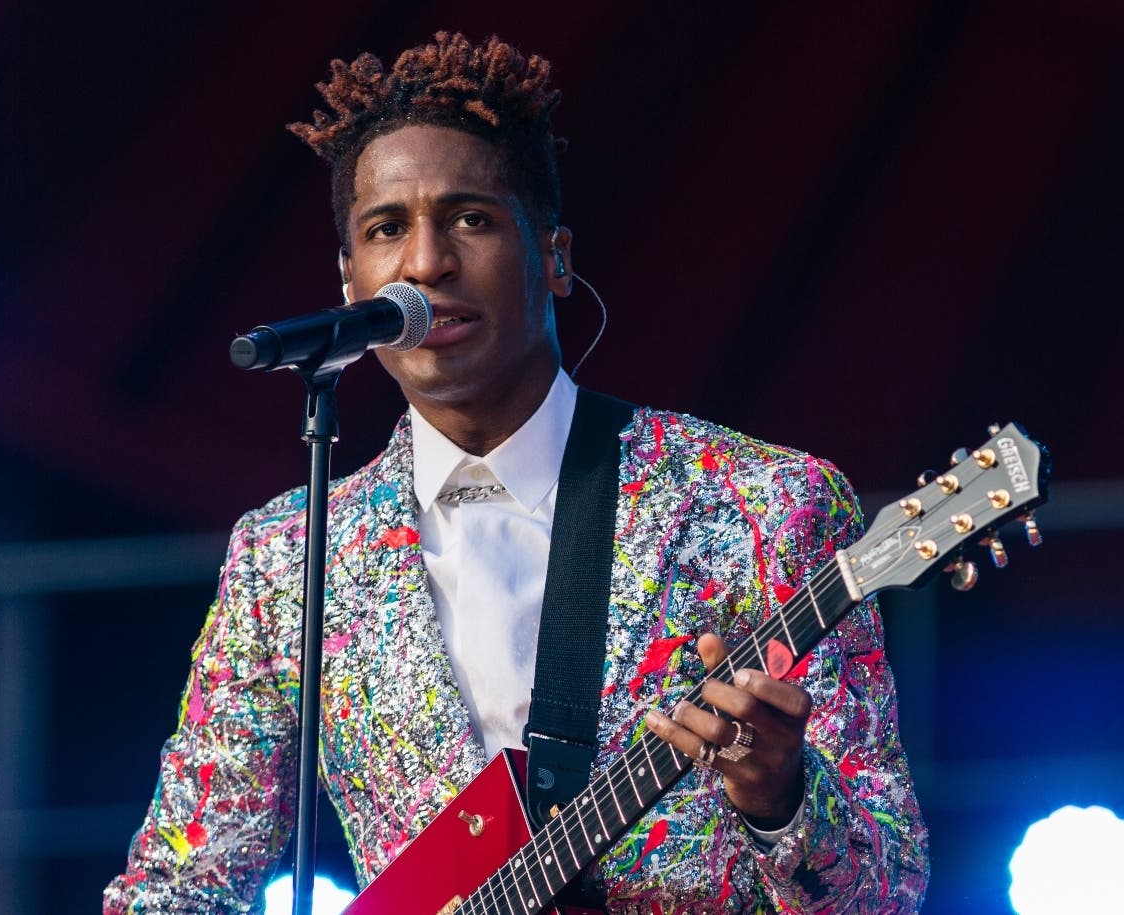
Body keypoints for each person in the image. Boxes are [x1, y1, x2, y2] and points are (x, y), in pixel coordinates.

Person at [104, 31, 928, 914]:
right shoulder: (289, 555)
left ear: (555, 256)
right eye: (388, 230)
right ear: (352, 287)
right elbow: (175, 887)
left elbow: (890, 886)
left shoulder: (766, 503)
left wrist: (782, 798)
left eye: (470, 217)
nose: (425, 262)